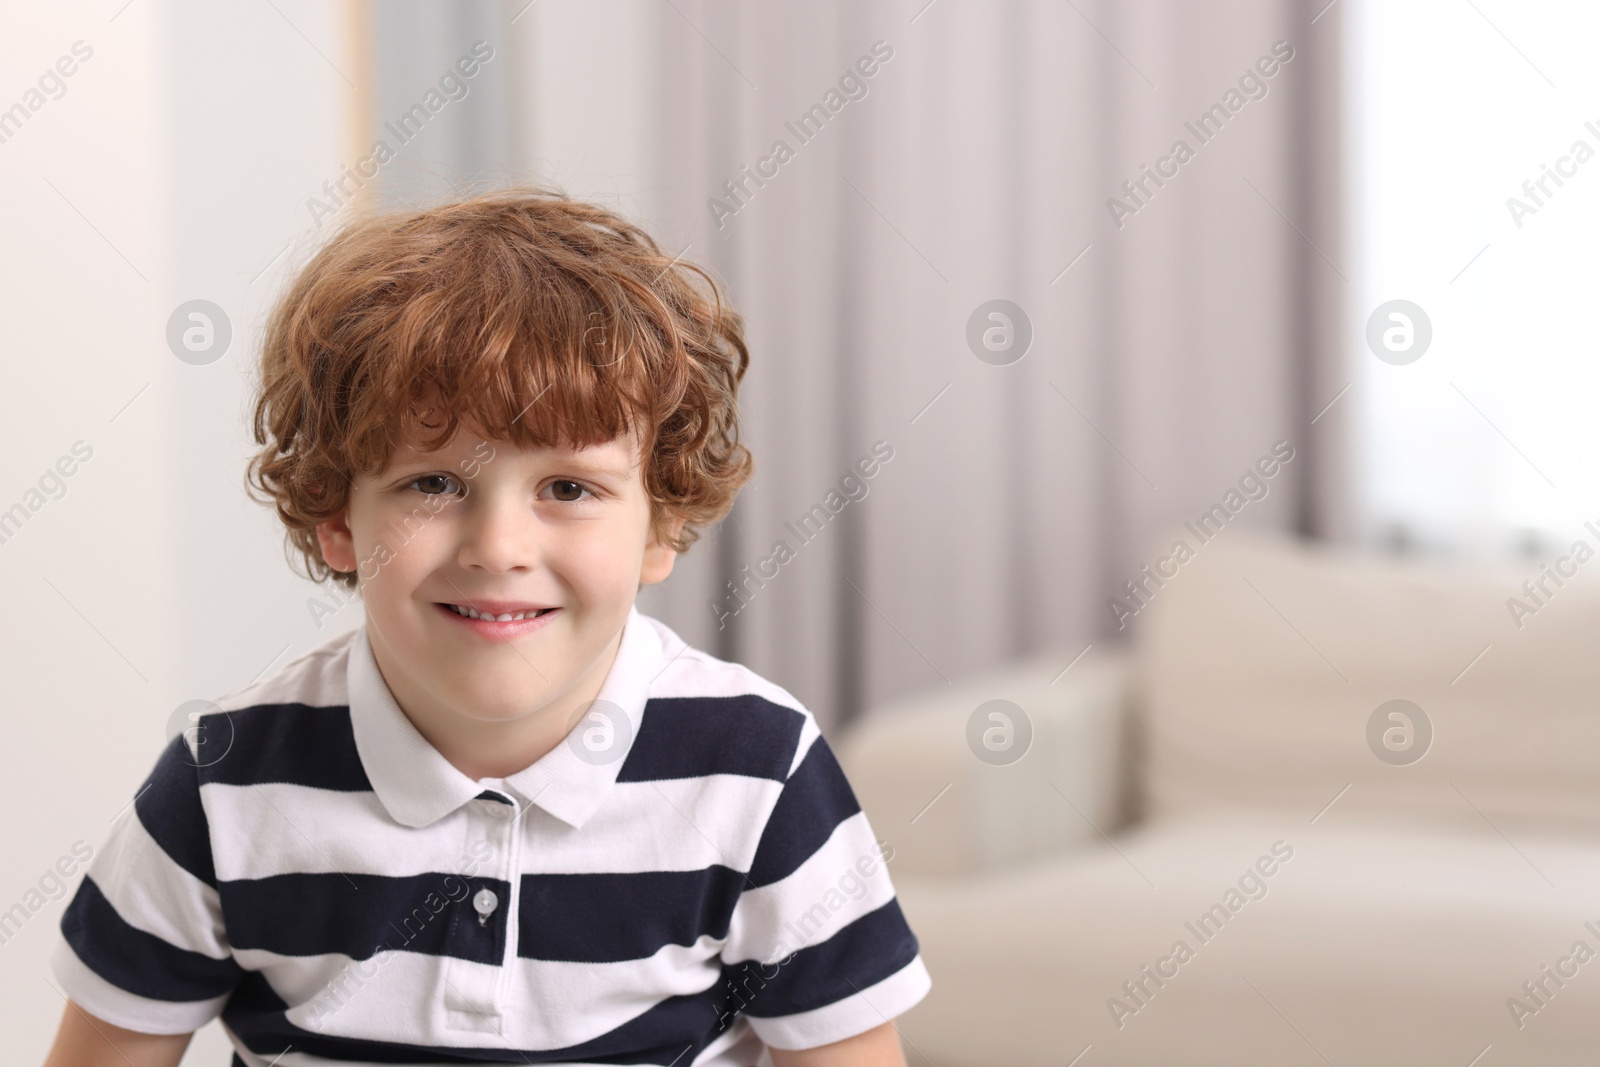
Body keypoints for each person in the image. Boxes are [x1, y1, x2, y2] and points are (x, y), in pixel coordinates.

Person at [42, 187, 929, 1067]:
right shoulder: (222, 782)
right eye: (434, 483)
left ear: (659, 524)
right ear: (338, 516)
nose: (499, 547)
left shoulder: (757, 769)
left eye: (569, 488)